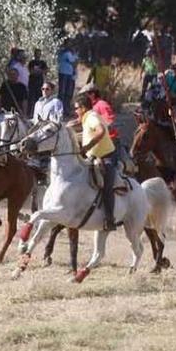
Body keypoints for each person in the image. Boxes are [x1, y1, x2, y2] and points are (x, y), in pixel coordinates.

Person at [72, 95, 118, 231]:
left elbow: (101, 131)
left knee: (107, 186)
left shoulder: (91, 117)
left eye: (76, 109)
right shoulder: (88, 117)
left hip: (106, 157)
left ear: (83, 108)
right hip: (93, 156)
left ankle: (110, 219)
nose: (75, 111)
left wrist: (87, 146)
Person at [57, 42, 78, 116]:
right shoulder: (65, 53)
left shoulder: (73, 53)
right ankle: (59, 109)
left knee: (69, 93)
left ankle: (66, 110)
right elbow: (73, 62)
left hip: (70, 74)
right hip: (63, 73)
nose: (71, 46)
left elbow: (76, 62)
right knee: (62, 92)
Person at [27, 48, 47, 116]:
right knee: (30, 99)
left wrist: (38, 71)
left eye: (39, 53)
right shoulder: (31, 62)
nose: (38, 55)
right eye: (36, 53)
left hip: (40, 83)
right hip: (32, 83)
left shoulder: (42, 63)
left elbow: (45, 71)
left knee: (39, 99)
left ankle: (39, 113)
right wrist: (39, 71)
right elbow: (31, 71)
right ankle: (29, 114)